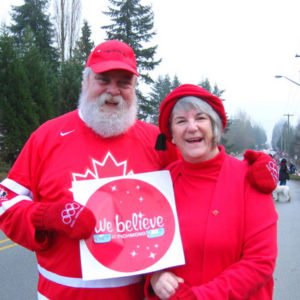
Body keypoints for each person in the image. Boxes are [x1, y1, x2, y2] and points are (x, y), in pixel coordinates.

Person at [0, 41, 276, 300]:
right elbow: (6, 202)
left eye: (124, 82)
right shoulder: (48, 136)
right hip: (61, 293)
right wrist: (48, 215)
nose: (113, 90)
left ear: (134, 87)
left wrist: (255, 165)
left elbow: (203, 163)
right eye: (103, 80)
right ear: (86, 81)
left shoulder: (156, 140)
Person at [146, 84, 278, 299]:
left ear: (215, 126)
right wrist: (155, 277)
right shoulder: (161, 183)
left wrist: (199, 297)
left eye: (200, 118)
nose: (192, 127)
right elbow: (146, 248)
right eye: (181, 121)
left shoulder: (249, 178)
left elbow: (260, 261)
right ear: (171, 135)